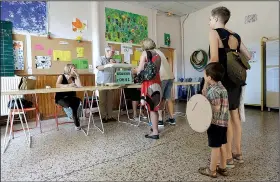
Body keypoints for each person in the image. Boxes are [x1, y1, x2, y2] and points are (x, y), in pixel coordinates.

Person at [206, 6, 252, 167]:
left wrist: (206, 82)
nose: (209, 22)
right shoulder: (235, 35)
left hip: (223, 81)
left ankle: (227, 158)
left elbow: (213, 58)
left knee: (224, 120)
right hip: (236, 81)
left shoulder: (214, 33)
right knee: (235, 117)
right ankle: (238, 153)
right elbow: (248, 55)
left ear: (217, 19)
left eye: (210, 19)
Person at [198, 62, 229, 178]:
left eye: (205, 75)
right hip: (223, 123)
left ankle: (211, 170)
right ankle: (223, 167)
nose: (204, 77)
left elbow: (216, 108)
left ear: (209, 77)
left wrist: (204, 105)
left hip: (215, 123)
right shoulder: (221, 87)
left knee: (215, 147)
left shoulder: (214, 91)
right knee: (222, 145)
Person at [132, 38, 162, 139]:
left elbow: (139, 70)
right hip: (157, 82)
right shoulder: (157, 55)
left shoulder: (145, 53)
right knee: (155, 108)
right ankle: (155, 129)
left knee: (152, 109)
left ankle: (155, 133)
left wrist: (132, 70)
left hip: (148, 84)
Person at [55, 64, 82, 130]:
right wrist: (68, 85)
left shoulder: (73, 77)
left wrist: (77, 76)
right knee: (72, 105)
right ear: (68, 69)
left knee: (79, 101)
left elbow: (80, 86)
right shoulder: (61, 76)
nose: (75, 69)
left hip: (71, 97)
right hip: (61, 98)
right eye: (74, 68)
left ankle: (76, 121)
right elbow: (57, 85)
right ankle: (73, 118)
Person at [154, 49, 175, 126]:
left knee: (159, 98)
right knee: (168, 98)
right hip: (170, 76)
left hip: (162, 77)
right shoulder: (160, 52)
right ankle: (172, 118)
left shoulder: (150, 53)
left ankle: (160, 120)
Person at [96, 46, 117, 123]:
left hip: (111, 83)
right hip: (102, 83)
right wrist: (109, 64)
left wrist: (115, 64)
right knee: (102, 101)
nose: (114, 53)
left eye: (114, 52)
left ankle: (110, 116)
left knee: (110, 101)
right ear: (107, 51)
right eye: (112, 51)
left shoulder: (113, 60)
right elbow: (99, 68)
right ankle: (103, 117)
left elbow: (116, 70)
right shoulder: (100, 58)